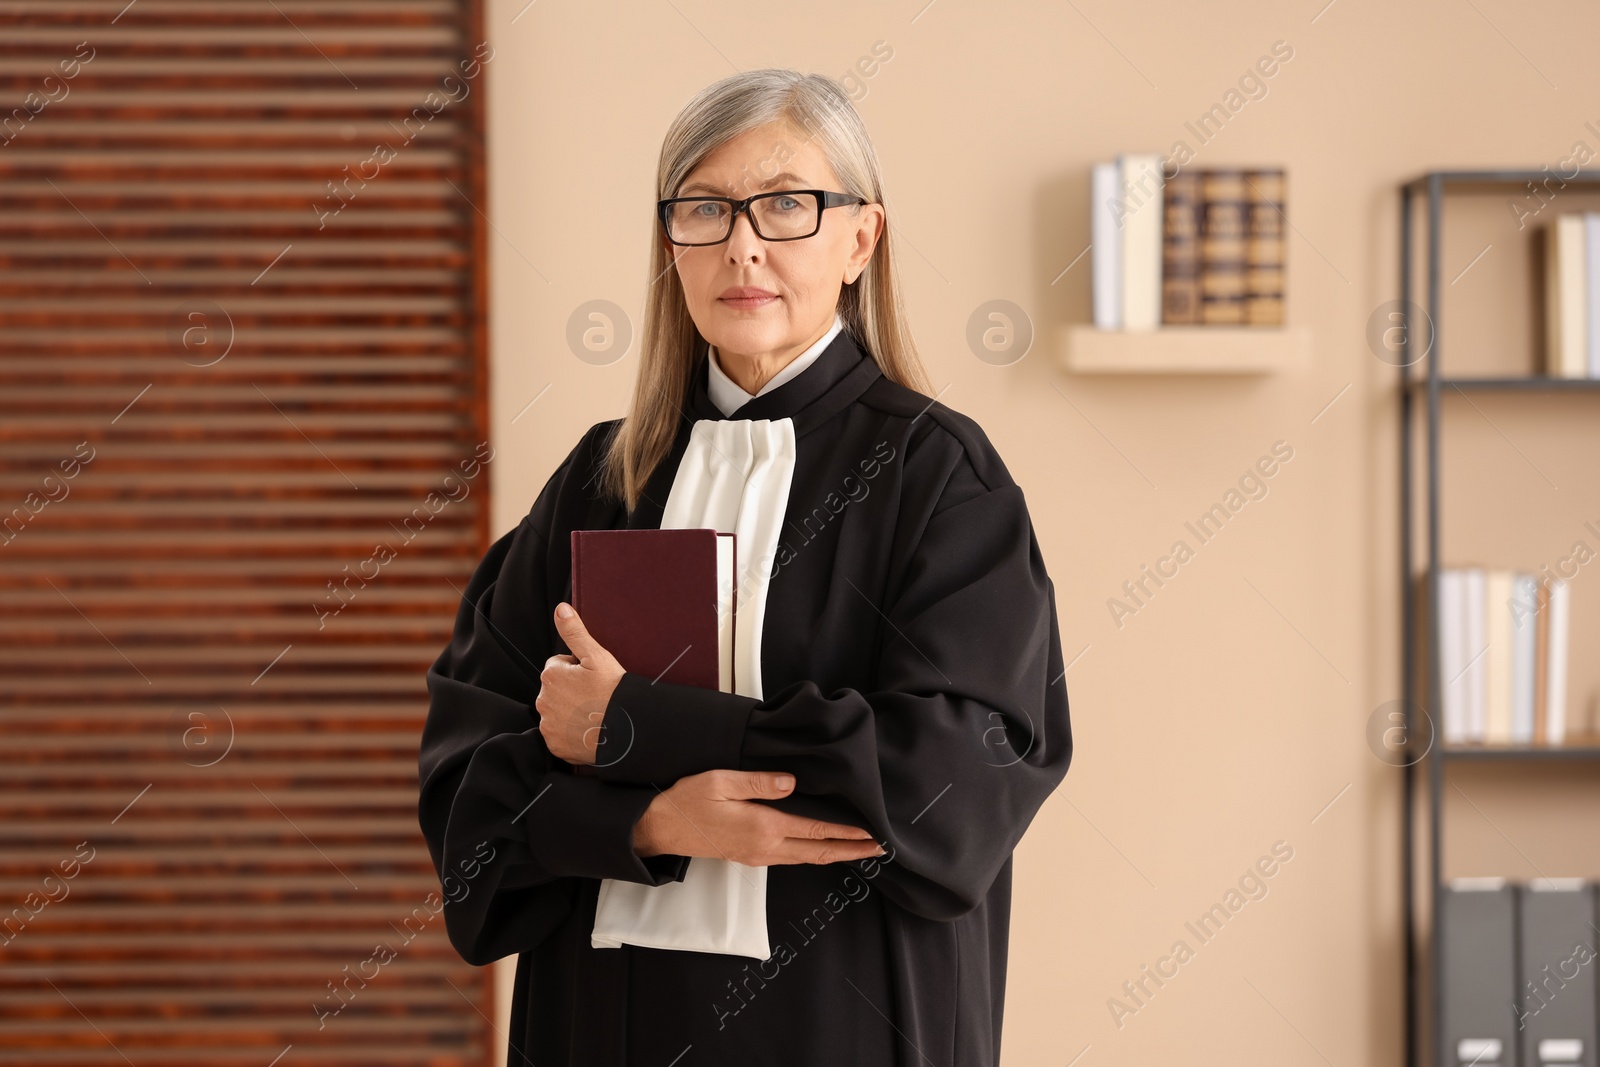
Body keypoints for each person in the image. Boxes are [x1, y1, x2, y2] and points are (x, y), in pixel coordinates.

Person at [418, 67, 1072, 1067]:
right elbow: (467, 786)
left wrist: (637, 722)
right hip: (603, 1022)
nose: (742, 244)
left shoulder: (937, 476)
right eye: (704, 209)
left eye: (785, 205)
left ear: (861, 240)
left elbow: (952, 779)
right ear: (668, 245)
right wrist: (646, 818)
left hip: (845, 1016)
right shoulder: (598, 481)